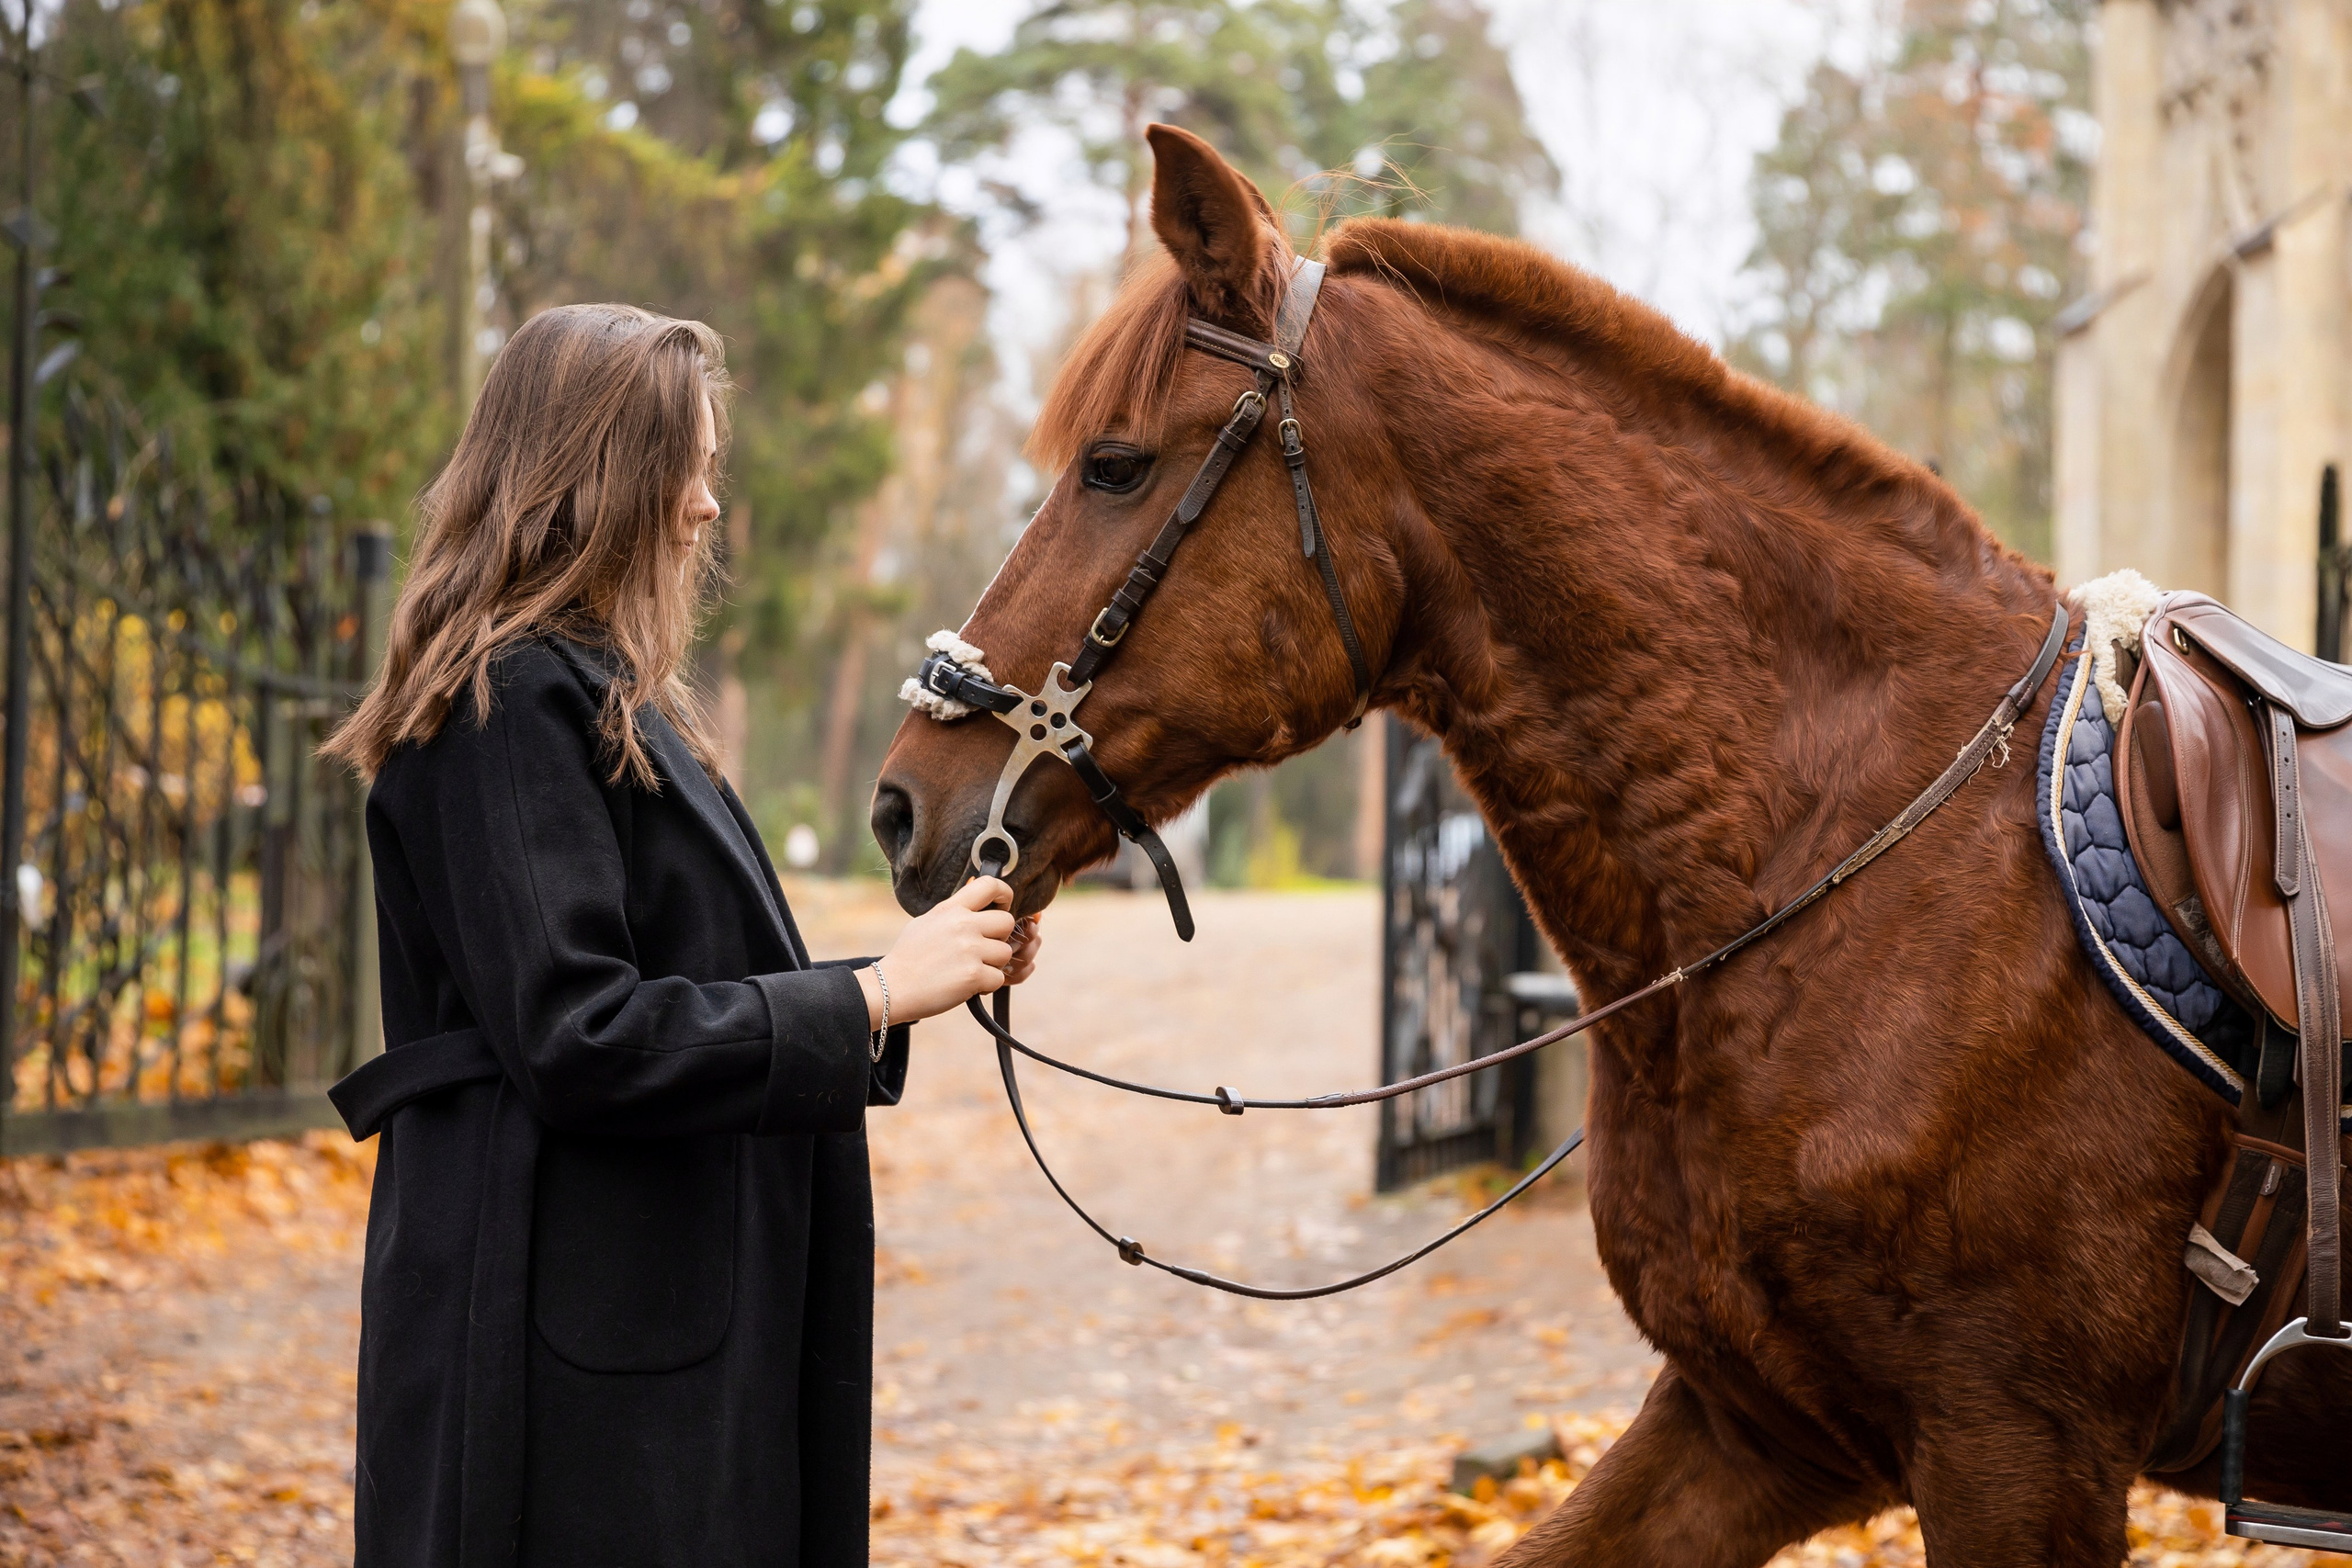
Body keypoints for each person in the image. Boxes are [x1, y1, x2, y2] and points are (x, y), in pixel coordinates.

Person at [321, 302, 1036, 1567]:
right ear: (598, 480)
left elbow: (676, 987)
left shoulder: (596, 693)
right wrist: (870, 996)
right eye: (687, 469)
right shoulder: (507, 702)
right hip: (564, 1349)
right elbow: (580, 1035)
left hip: (640, 1314)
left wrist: (920, 974)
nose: (708, 505)